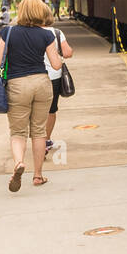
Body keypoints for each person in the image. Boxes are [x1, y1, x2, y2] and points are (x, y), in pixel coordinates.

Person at [0, 0, 63, 191]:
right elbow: (56, 64)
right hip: (41, 83)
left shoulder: (7, 32)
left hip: (17, 84)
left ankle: (18, 164)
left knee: (18, 132)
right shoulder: (46, 35)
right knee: (39, 131)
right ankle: (38, 175)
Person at [42, 9, 74, 153]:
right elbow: (67, 53)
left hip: (33, 76)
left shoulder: (28, 32)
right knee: (51, 110)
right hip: (54, 76)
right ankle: (46, 140)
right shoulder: (56, 33)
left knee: (35, 110)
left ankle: (37, 139)